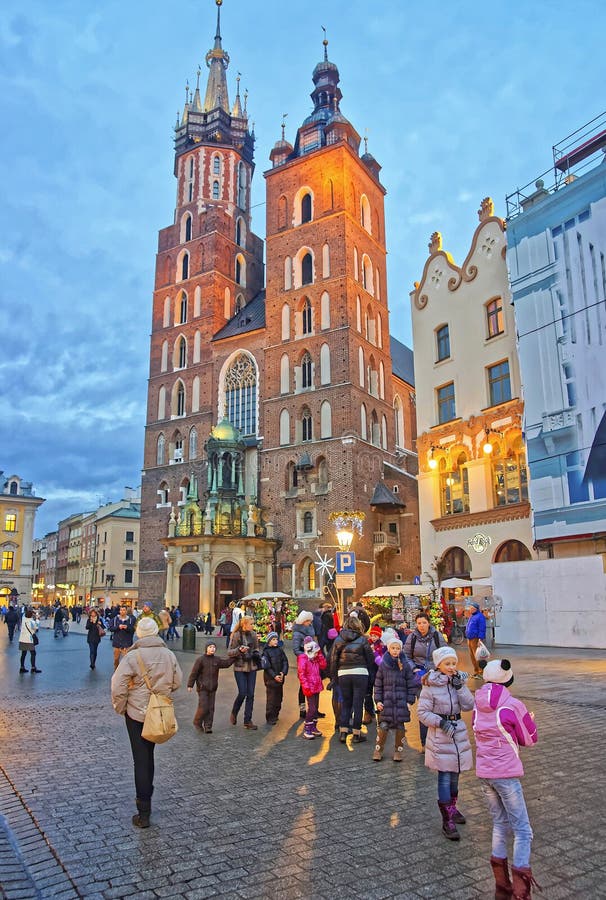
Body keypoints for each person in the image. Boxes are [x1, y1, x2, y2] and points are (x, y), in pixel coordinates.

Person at [473, 658, 540, 899]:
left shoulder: (477, 705)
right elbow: (529, 739)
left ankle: (502, 887)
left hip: (485, 774)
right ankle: (521, 892)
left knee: (500, 825)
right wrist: (530, 720)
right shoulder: (513, 706)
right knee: (523, 830)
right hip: (507, 776)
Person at [111, 617, 182, 828]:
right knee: (149, 755)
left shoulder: (133, 656)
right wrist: (160, 692)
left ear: (139, 633)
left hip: (136, 713)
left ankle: (143, 811)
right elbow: (177, 681)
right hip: (158, 711)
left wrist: (121, 706)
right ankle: (147, 791)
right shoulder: (168, 654)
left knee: (140, 759)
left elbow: (117, 685)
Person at [417, 646, 474, 841]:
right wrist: (440, 722)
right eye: (447, 664)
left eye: (453, 663)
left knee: (456, 776)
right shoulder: (430, 685)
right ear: (439, 665)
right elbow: (422, 713)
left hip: (457, 732)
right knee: (444, 777)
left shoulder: (457, 681)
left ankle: (453, 808)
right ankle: (446, 819)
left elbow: (469, 705)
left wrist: (461, 687)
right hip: (441, 734)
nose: (451, 667)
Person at [404, 612, 447, 751]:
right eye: (419, 623)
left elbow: (445, 654)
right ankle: (424, 743)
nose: (421, 626)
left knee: (437, 710)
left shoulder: (436, 636)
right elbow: (406, 656)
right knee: (424, 710)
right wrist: (414, 669)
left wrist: (438, 669)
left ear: (429, 623)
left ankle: (437, 741)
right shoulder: (412, 637)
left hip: (436, 677)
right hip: (420, 679)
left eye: (424, 623)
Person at [330, 614, 375, 744]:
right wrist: (368, 673)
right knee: (358, 704)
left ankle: (343, 732)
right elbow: (370, 659)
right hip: (360, 672)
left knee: (346, 703)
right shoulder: (362, 640)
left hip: (343, 673)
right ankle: (356, 733)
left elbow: (333, 660)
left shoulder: (338, 640)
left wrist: (334, 677)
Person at [372, 633, 415, 761]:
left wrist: (409, 701)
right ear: (389, 649)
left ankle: (398, 750)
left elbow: (411, 684)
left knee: (400, 727)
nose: (395, 651)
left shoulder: (405, 665)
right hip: (387, 701)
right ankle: (378, 749)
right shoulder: (383, 665)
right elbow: (378, 684)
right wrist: (378, 700)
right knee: (384, 726)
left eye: (397, 648)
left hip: (401, 702)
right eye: (393, 648)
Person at [187, 641, 234, 732]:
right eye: (210, 647)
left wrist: (236, 656)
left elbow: (227, 663)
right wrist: (190, 685)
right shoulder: (200, 660)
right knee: (203, 707)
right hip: (202, 688)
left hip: (213, 688)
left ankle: (208, 726)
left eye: (213, 647)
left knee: (211, 708)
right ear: (206, 649)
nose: (212, 649)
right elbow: (194, 673)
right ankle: (197, 722)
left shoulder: (217, 660)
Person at [227, 616, 261, 729]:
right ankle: (234, 712)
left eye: (253, 624)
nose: (253, 626)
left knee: (250, 694)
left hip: (252, 667)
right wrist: (239, 650)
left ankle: (248, 720)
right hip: (240, 668)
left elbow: (257, 649)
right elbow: (230, 652)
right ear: (244, 624)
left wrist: (255, 653)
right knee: (243, 692)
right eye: (251, 624)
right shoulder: (236, 635)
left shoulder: (254, 635)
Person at [297, 637, 327, 739]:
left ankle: (313, 727)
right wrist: (306, 687)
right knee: (312, 708)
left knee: (315, 708)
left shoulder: (315, 659)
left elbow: (323, 666)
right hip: (310, 687)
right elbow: (302, 674)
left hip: (317, 685)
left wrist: (320, 656)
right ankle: (307, 728)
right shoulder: (303, 659)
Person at [292, 610, 320, 719]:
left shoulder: (310, 631)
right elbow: (295, 649)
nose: (310, 623)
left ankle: (313, 709)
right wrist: (306, 656)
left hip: (312, 661)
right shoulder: (297, 634)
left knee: (313, 684)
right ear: (304, 621)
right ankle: (302, 708)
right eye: (308, 621)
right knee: (303, 685)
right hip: (304, 662)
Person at [262, 631, 289, 725]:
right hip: (271, 680)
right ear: (269, 641)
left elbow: (285, 661)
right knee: (271, 699)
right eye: (273, 639)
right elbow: (267, 667)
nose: (276, 641)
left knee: (279, 698)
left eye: (276, 639)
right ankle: (270, 717)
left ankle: (276, 714)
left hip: (280, 678)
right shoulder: (266, 652)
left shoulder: (280, 650)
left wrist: (283, 672)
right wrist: (274, 676)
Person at [363, 624, 386, 724]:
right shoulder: (366, 644)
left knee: (379, 692)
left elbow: (382, 661)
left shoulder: (382, 646)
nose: (373, 638)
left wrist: (374, 652)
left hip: (378, 671)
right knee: (367, 693)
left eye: (375, 636)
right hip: (368, 670)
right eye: (372, 635)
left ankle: (381, 713)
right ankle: (368, 712)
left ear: (379, 636)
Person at [110, 605, 136, 670]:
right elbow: (111, 628)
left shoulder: (131, 620)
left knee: (126, 661)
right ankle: (116, 672)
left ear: (126, 611)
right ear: (119, 611)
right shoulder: (115, 619)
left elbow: (133, 630)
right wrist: (118, 627)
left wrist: (127, 628)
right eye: (121, 610)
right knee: (116, 660)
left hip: (126, 644)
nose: (122, 611)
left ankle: (125, 673)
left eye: (124, 610)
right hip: (117, 643)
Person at [465, 601, 487, 677]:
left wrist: (480, 639)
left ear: (475, 609)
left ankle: (480, 671)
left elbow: (482, 628)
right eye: (470, 608)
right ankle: (476, 670)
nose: (470, 609)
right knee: (472, 655)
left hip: (475, 638)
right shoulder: (472, 616)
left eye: (471, 608)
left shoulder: (480, 616)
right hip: (470, 638)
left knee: (477, 655)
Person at [18, 608, 41, 673]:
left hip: (22, 639)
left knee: (23, 653)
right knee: (33, 653)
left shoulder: (23, 619)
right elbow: (36, 627)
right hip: (29, 640)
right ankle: (33, 668)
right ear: (31, 615)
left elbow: (25, 615)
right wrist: (37, 619)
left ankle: (22, 667)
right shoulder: (31, 622)